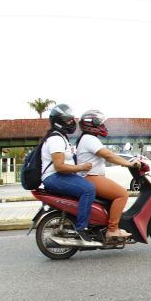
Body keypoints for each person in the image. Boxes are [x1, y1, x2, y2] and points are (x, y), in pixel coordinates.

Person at [40, 103, 101, 245]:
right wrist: (81, 167)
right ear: (59, 122)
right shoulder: (55, 139)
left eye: (71, 119)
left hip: (59, 176)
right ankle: (81, 229)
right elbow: (59, 166)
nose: (72, 122)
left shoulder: (61, 137)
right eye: (68, 120)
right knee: (88, 189)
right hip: (53, 177)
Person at [75, 109, 140, 241]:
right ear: (90, 124)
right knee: (122, 194)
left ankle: (106, 225)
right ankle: (112, 229)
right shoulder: (89, 138)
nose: (102, 126)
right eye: (99, 123)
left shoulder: (87, 138)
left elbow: (107, 154)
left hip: (91, 176)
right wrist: (129, 163)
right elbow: (108, 155)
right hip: (91, 177)